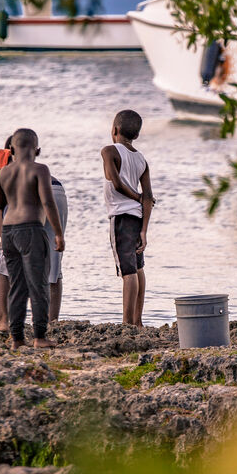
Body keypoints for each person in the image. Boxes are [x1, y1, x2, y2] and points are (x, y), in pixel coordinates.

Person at [0, 128, 66, 348]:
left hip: (9, 232)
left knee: (17, 286)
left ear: (12, 149)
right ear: (38, 150)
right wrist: (59, 233)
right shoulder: (40, 169)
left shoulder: (4, 172)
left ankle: (16, 339)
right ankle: (40, 336)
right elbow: (48, 202)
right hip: (31, 229)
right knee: (38, 285)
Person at [100, 109, 153, 326]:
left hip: (121, 216)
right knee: (138, 268)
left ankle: (127, 323)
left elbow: (115, 182)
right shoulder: (141, 159)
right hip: (137, 218)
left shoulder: (109, 151)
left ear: (114, 130)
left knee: (128, 272)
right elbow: (149, 198)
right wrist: (144, 231)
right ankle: (137, 321)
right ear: (136, 135)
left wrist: (136, 197)